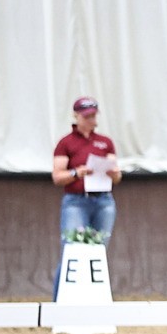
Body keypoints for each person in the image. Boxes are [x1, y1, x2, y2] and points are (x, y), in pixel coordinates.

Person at [52, 97, 121, 273]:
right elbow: (58, 176)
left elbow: (116, 176)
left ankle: (95, 296)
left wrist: (113, 173)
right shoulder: (66, 143)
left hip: (103, 201)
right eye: (87, 116)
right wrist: (76, 173)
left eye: (93, 116)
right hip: (76, 201)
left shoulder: (105, 142)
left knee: (98, 250)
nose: (91, 120)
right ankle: (61, 298)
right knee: (71, 250)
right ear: (77, 116)